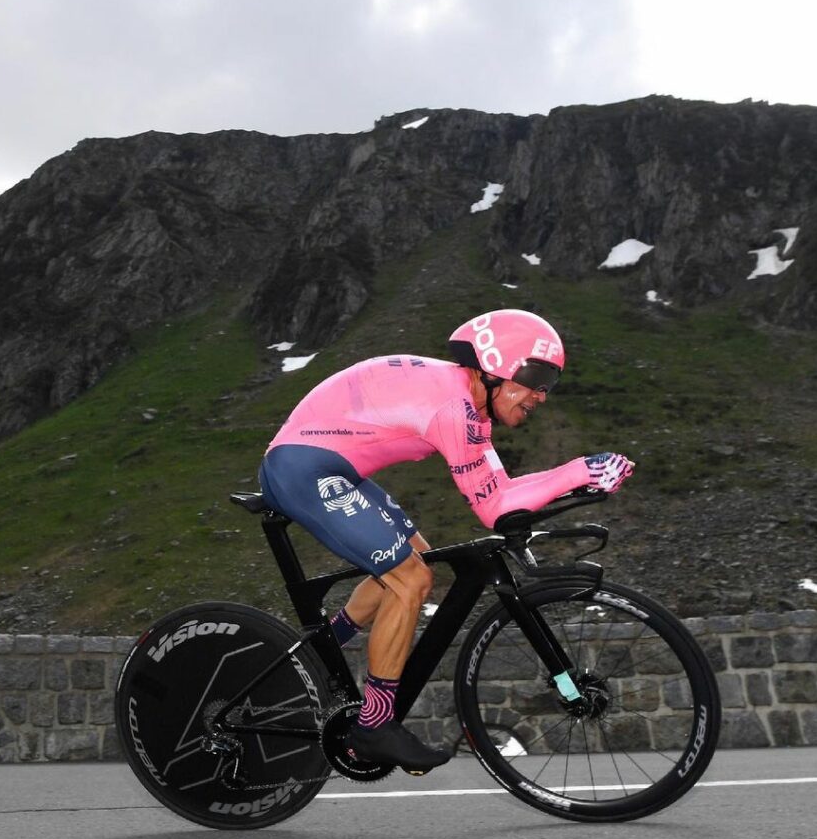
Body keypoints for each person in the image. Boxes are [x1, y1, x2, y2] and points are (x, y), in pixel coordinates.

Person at [257, 309, 634, 772]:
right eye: (535, 377)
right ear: (493, 367)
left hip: (331, 467)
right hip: (302, 469)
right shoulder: (455, 408)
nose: (540, 395)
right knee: (410, 580)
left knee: (414, 562)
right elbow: (495, 506)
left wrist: (579, 480)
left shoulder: (467, 405)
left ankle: (318, 654)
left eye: (549, 384)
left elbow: (503, 493)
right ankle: (374, 726)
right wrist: (579, 471)